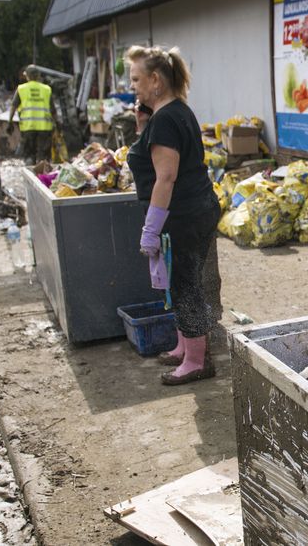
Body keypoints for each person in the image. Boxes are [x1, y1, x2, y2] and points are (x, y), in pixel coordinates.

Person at [124, 45, 222, 385]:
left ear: (155, 80)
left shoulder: (165, 120)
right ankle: (185, 347)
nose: (132, 85)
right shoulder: (174, 111)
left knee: (185, 285)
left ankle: (196, 361)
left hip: (184, 214)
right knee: (183, 282)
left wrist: (150, 229)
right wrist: (142, 127)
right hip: (196, 208)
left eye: (136, 79)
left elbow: (165, 177)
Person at [7, 68, 56, 164]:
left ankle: (31, 173)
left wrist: (10, 122)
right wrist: (56, 123)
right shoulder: (46, 89)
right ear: (38, 76)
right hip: (45, 127)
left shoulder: (21, 89)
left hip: (28, 127)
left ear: (27, 76)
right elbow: (53, 109)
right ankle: (43, 176)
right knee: (44, 156)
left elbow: (13, 106)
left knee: (29, 154)